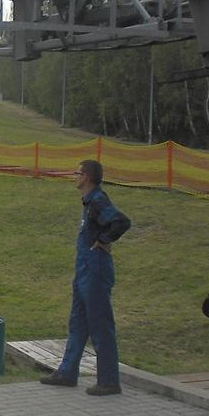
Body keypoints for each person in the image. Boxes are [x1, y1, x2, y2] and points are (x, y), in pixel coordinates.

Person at [41, 159, 131, 396]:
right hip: (84, 270)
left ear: (87, 177)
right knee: (78, 322)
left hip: (95, 271)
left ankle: (109, 381)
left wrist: (103, 240)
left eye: (77, 173)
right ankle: (67, 372)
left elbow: (121, 222)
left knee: (100, 325)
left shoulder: (98, 200)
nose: (75, 176)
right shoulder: (89, 202)